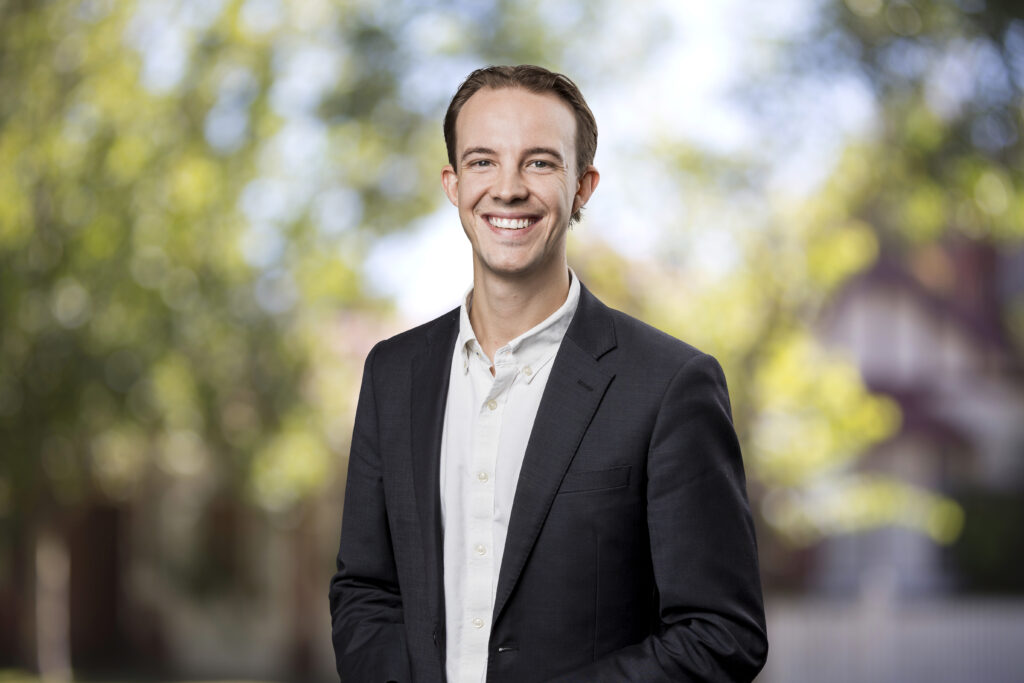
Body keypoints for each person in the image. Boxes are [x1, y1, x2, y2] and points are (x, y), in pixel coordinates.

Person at [329, 64, 768, 683]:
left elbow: (720, 634)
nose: (508, 188)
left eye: (539, 162)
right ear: (453, 183)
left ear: (583, 186)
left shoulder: (670, 385)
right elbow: (364, 592)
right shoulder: (392, 375)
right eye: (483, 161)